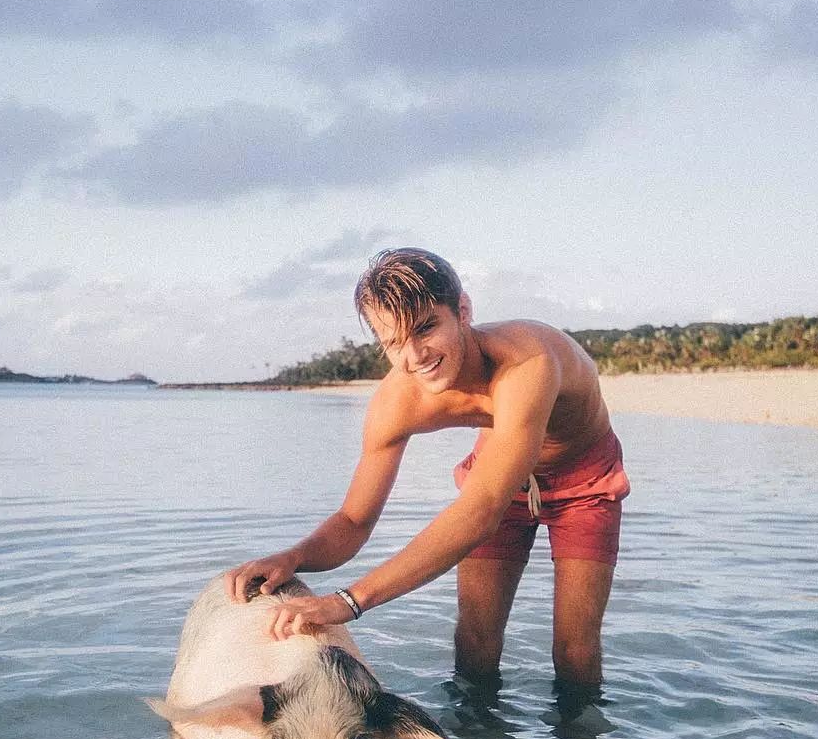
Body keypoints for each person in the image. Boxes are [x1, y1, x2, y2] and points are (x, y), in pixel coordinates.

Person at [225, 248, 629, 686]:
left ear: (463, 311)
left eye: (426, 328)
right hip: (498, 471)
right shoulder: (396, 403)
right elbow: (354, 519)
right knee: (475, 639)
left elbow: (482, 509)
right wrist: (295, 556)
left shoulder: (527, 362)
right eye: (394, 341)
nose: (415, 355)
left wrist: (351, 600)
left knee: (574, 651)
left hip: (583, 480)